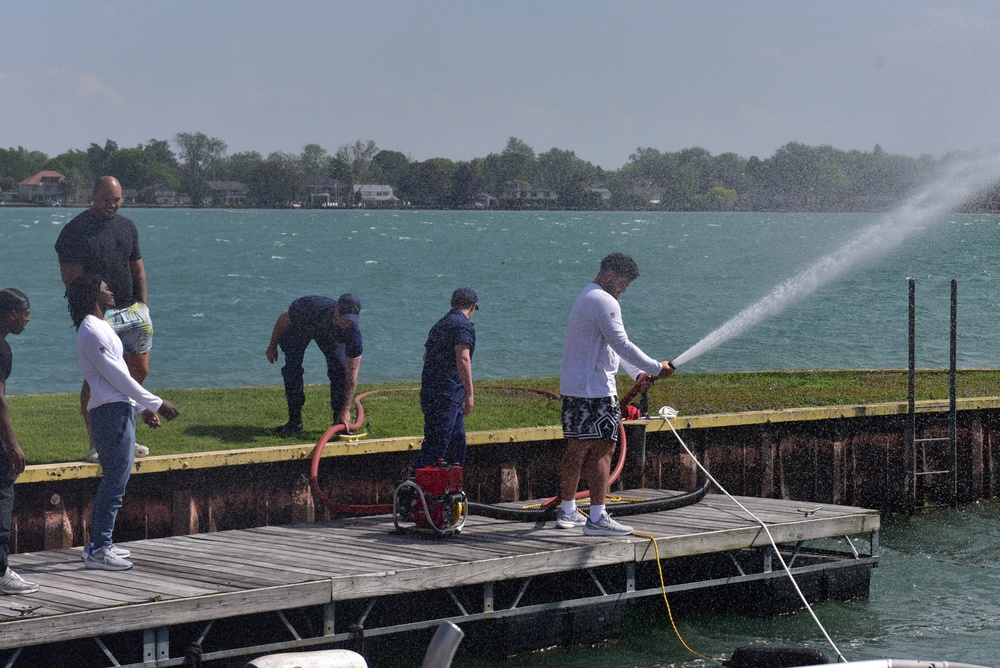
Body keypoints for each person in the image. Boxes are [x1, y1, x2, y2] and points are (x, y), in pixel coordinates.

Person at [66, 275, 179, 570]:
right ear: (94, 293)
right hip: (108, 413)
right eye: (105, 288)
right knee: (114, 484)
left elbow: (120, 377)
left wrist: (142, 407)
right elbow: (117, 376)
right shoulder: (91, 331)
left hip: (119, 409)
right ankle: (98, 549)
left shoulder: (102, 326)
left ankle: (103, 543)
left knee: (118, 482)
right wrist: (155, 402)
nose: (111, 291)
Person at [556, 253, 673, 537]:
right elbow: (622, 344)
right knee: (603, 450)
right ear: (609, 274)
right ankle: (597, 518)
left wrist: (638, 374)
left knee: (575, 450)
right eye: (623, 282)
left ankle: (568, 510)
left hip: (574, 389)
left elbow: (611, 347)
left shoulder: (588, 296)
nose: (624, 289)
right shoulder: (604, 301)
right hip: (596, 392)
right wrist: (656, 367)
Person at [55, 176, 154, 464]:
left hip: (132, 310)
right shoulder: (74, 232)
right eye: (108, 198)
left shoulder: (127, 227)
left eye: (118, 199)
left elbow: (138, 271)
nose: (113, 204)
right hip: (98, 315)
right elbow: (71, 279)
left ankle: (124, 437)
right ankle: (96, 443)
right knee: (98, 379)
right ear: (93, 195)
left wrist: (144, 307)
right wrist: (89, 315)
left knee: (139, 370)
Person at [265, 294, 362, 434]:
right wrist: (272, 346)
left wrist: (346, 409)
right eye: (343, 317)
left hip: (329, 335)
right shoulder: (311, 306)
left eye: (350, 320)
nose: (345, 323)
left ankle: (339, 421)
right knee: (292, 368)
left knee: (340, 371)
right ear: (336, 308)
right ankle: (294, 422)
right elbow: (283, 319)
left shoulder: (352, 332)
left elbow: (352, 376)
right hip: (301, 328)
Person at [0, 289, 38, 594]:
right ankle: (1, 573)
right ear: (10, 314)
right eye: (25, 313)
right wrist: (12, 443)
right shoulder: (2, 349)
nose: (27, 319)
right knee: (2, 492)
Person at [415, 288, 478, 469]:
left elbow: (426, 356)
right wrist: (470, 394)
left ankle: (451, 489)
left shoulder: (439, 324)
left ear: (452, 304)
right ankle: (413, 488)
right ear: (473, 307)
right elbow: (463, 359)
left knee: (456, 445)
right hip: (447, 393)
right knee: (436, 445)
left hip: (432, 391)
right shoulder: (463, 326)